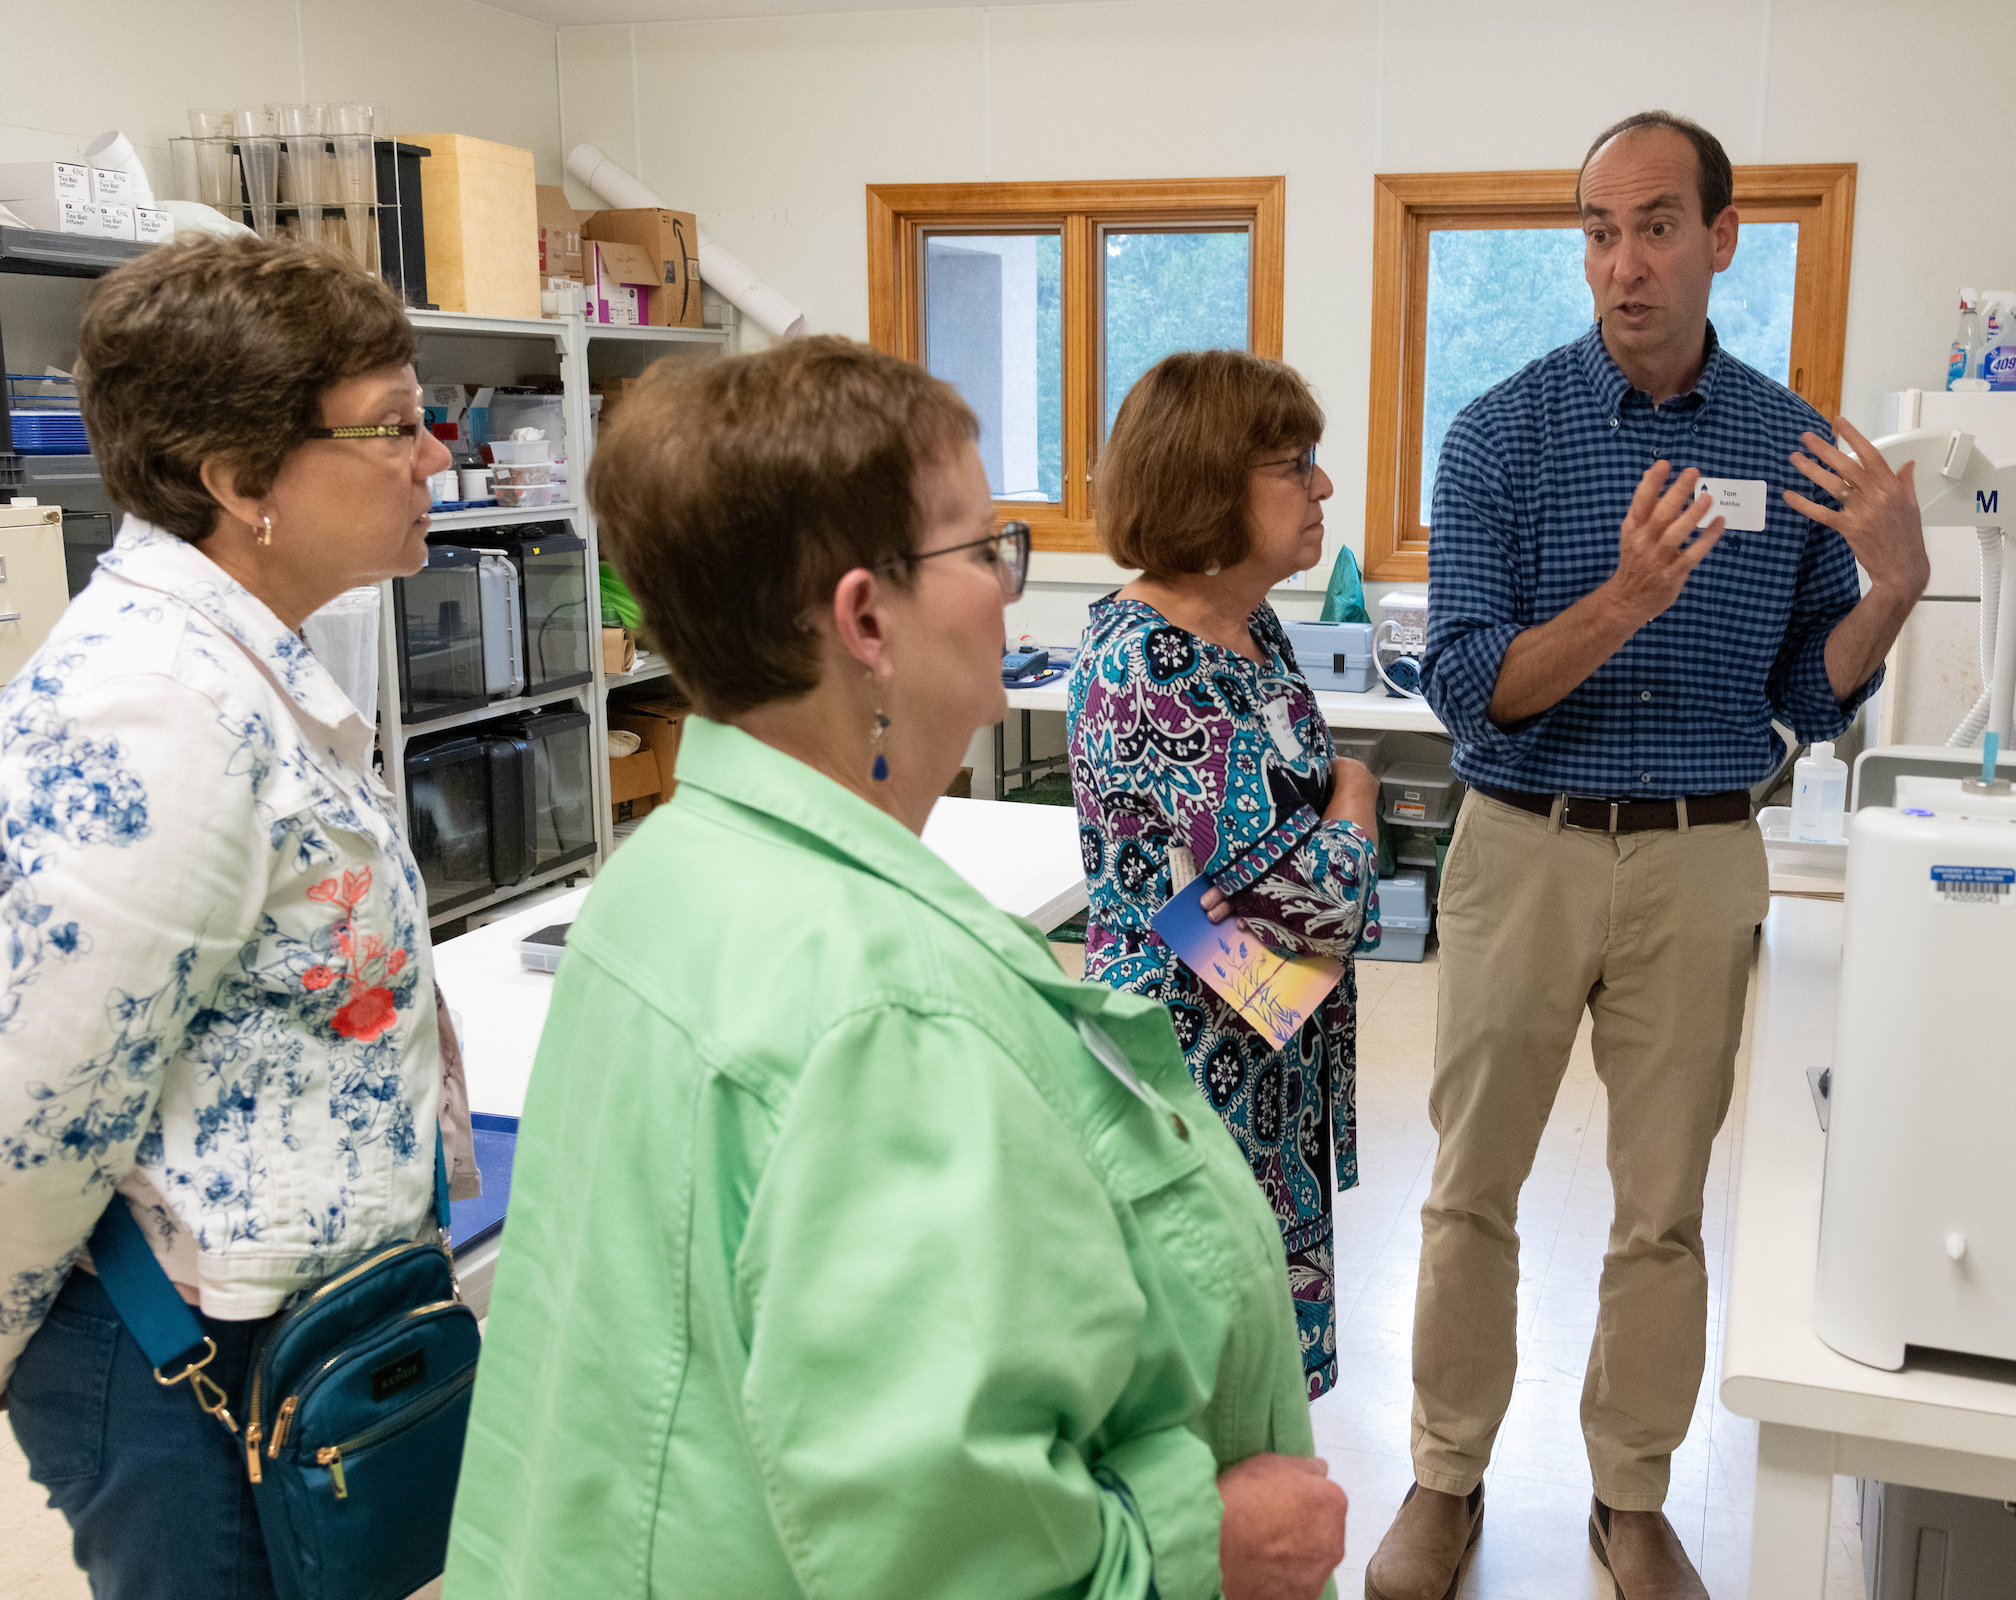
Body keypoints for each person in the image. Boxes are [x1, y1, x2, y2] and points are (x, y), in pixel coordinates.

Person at [443, 336, 1347, 1600]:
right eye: (984, 550)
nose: (1009, 589)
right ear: (867, 618)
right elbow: (950, 1551)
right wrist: (1203, 1544)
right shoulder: (885, 1009)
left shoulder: (666, 872)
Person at [1363, 112, 1928, 1600]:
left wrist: (1901, 584)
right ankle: (1444, 1472)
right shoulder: (1498, 433)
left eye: (1659, 226)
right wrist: (1624, 598)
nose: (1626, 264)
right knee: (1470, 1187)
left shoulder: (1792, 450)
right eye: (1600, 231)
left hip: (1699, 857)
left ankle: (1631, 1496)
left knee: (1665, 1205)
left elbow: (1810, 696)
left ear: (1724, 238)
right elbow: (1475, 683)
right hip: (1522, 849)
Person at [0, 234, 478, 1599]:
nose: (434, 456)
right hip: (180, 1364)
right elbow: (32, 1108)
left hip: (291, 1331)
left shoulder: (248, 664)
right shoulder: (151, 708)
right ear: (236, 479)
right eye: (392, 428)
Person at [1069, 350, 1382, 1401]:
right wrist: (1357, 797)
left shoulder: (1247, 628)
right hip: (1194, 1076)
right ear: (1207, 488)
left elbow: (1279, 928)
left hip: (1264, 1056)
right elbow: (1314, 919)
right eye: (1294, 465)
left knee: (1260, 1388)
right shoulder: (1147, 663)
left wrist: (1280, 904)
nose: (1323, 488)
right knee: (1205, 1391)